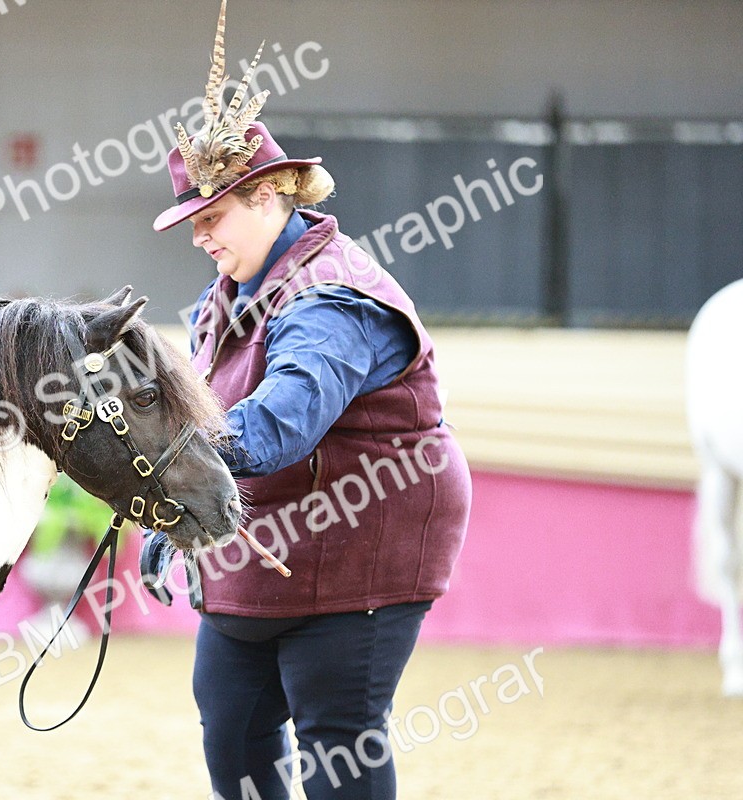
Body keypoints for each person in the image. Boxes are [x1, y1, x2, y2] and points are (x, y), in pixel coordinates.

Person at [140, 3, 471, 799]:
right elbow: (210, 423)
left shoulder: (333, 299)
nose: (200, 236)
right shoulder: (221, 300)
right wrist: (170, 521)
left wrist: (162, 477)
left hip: (365, 543)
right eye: (192, 222)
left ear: (270, 196)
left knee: (337, 741)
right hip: (268, 544)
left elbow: (278, 424)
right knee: (231, 730)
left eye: (211, 216)